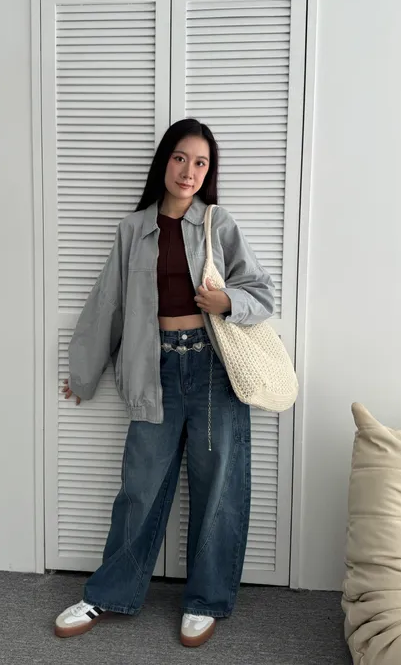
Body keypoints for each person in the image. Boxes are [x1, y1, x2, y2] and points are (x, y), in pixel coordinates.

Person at [55, 118, 275, 647]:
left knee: (218, 487)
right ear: (165, 162)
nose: (189, 171)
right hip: (155, 370)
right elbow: (107, 303)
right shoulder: (133, 230)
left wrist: (226, 301)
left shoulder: (219, 224)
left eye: (201, 162)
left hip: (214, 371)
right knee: (140, 487)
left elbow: (261, 294)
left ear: (208, 171)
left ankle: (205, 600)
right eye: (180, 158)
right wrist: (84, 374)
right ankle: (110, 592)